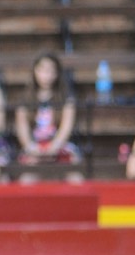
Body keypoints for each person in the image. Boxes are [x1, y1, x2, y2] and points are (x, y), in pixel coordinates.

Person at [13, 51, 83, 184]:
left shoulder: (66, 98)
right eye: (42, 70)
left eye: (51, 71)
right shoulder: (25, 99)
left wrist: (54, 147)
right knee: (25, 181)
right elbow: (22, 129)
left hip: (59, 146)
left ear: (57, 73)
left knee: (75, 179)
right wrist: (32, 148)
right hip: (34, 147)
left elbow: (66, 127)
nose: (47, 75)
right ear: (35, 71)